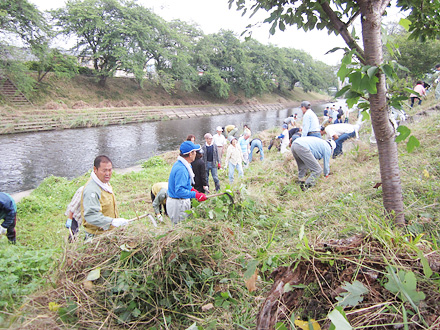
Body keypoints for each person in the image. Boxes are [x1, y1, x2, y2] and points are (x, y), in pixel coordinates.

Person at [81, 155, 128, 238]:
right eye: (104, 171)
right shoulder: (92, 190)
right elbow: (91, 216)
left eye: (110, 170)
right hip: (97, 236)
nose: (108, 174)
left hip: (109, 232)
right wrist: (112, 221)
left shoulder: (104, 183)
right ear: (95, 170)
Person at [167, 141, 207, 224]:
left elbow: (185, 185)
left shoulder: (182, 164)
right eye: (194, 151)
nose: (196, 153)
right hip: (177, 204)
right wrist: (196, 195)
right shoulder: (181, 169)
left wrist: (193, 190)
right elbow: (180, 190)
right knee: (179, 228)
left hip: (180, 201)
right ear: (190, 154)